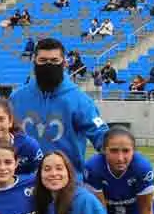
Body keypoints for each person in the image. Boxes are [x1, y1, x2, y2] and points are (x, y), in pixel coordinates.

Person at [10, 38, 108, 178]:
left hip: (67, 184)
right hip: (24, 185)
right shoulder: (16, 98)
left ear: (65, 63)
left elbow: (101, 137)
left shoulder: (80, 100)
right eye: (43, 60)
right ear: (34, 61)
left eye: (54, 61)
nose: (48, 65)